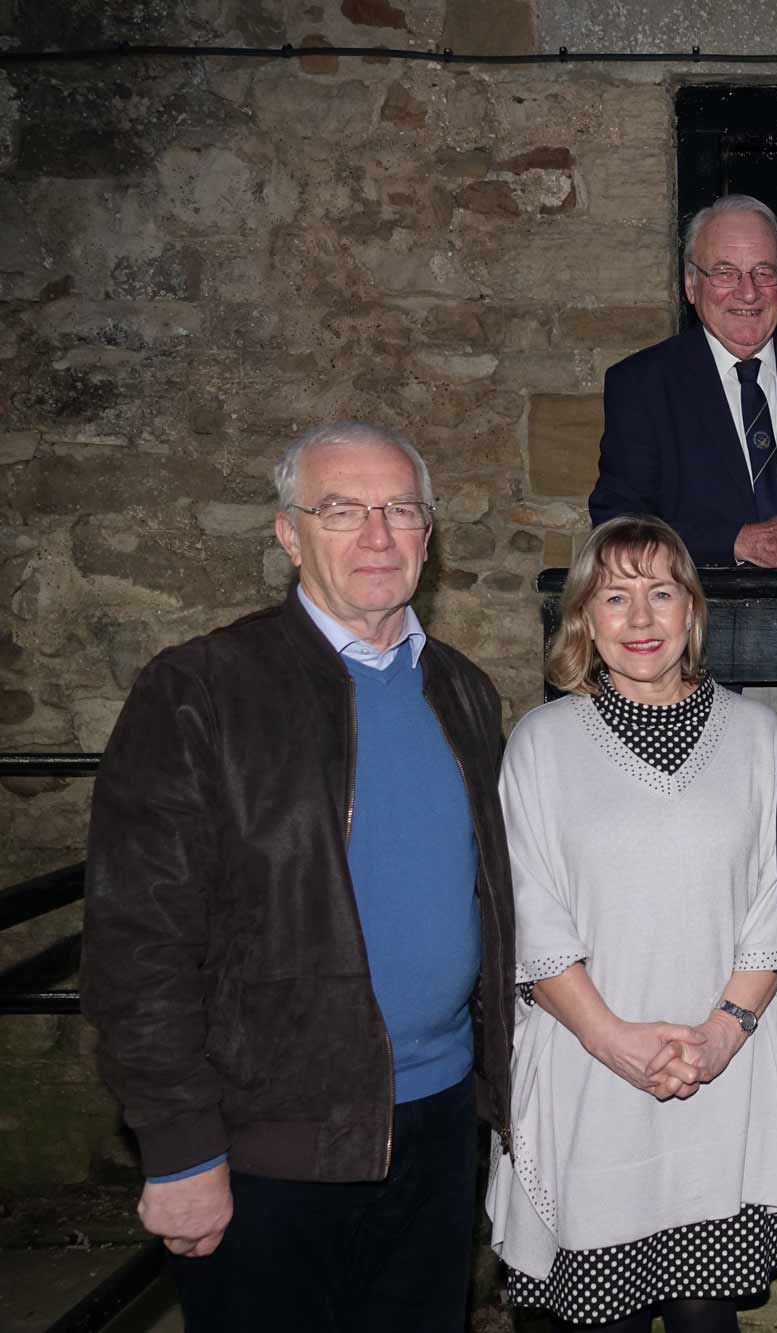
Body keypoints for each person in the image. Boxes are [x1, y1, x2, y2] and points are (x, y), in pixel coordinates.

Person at [81, 421, 513, 1331]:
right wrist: (179, 1147)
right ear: (288, 533)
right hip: (268, 1142)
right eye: (343, 510)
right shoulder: (202, 691)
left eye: (401, 510)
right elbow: (138, 942)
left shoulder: (465, 692)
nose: (378, 535)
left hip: (437, 1127)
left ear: (429, 536)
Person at [486, 516, 777, 1333]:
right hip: (592, 1077)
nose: (639, 619)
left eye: (660, 593)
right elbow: (528, 908)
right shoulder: (541, 744)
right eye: (614, 596)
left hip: (718, 1077)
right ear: (584, 618)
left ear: (691, 611)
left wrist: (724, 1033)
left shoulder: (761, 739)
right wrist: (613, 1038)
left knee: (708, 1318)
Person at [590, 193, 777, 570]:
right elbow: (620, 523)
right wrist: (738, 542)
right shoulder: (643, 385)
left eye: (764, 272)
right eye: (724, 272)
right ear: (691, 284)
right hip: (701, 616)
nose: (748, 291)